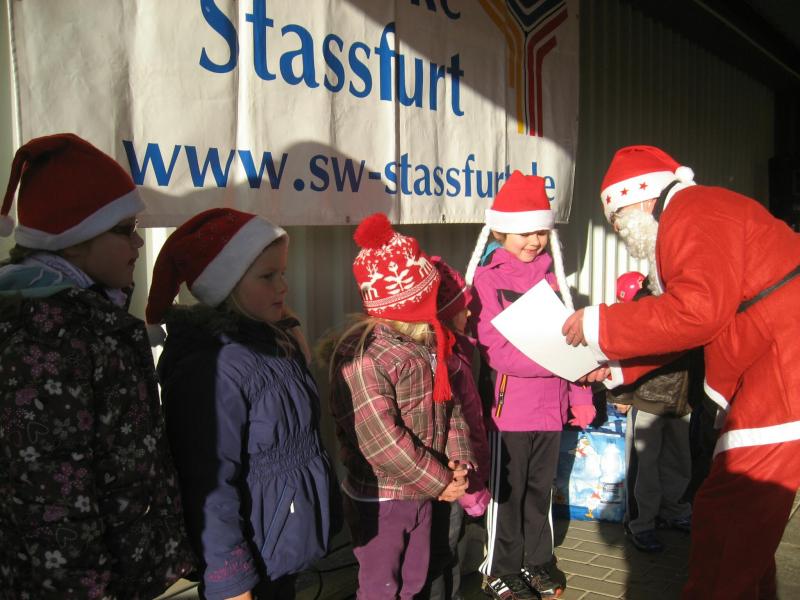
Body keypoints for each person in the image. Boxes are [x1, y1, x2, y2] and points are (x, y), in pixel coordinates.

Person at [562, 145, 800, 598]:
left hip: (782, 376)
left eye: (617, 220)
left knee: (728, 518)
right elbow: (695, 320)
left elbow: (696, 312)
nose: (620, 232)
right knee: (742, 524)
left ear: (639, 199)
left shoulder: (692, 212)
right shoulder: (699, 211)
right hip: (776, 371)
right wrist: (616, 366)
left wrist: (600, 323)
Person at [0, 133, 194, 599]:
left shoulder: (88, 319)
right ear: (72, 241)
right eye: (124, 229)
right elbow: (50, 493)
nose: (139, 242)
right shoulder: (47, 339)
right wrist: (85, 589)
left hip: (118, 568)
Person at [145, 208, 338, 600]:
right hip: (250, 562)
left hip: (280, 547)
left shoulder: (271, 341)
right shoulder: (213, 369)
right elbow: (207, 483)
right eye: (268, 276)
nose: (283, 286)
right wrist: (230, 580)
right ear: (227, 285)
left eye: (282, 272)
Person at [325, 213, 474, 600]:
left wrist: (457, 458)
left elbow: (451, 406)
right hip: (384, 498)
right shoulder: (365, 357)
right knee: (382, 587)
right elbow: (382, 442)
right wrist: (440, 480)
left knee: (413, 581)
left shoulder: (426, 343)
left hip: (421, 488)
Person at [466, 171, 595, 600]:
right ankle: (500, 569)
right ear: (501, 231)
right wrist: (558, 365)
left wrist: (580, 393)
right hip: (510, 413)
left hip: (550, 411)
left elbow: (573, 342)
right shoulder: (488, 280)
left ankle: (537, 560)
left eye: (541, 232)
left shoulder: (554, 281)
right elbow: (496, 351)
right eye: (525, 232)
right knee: (508, 494)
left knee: (541, 492)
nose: (534, 241)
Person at [418, 257, 492, 600]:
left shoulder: (458, 351)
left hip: (454, 475)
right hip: (446, 478)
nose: (471, 313)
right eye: (464, 307)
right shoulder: (446, 362)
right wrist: (472, 486)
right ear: (446, 312)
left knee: (448, 549)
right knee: (441, 551)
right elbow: (460, 424)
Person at [608, 271, 693, 554]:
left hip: (681, 400)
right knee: (644, 467)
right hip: (648, 400)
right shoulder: (646, 309)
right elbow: (626, 353)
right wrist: (622, 396)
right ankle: (640, 524)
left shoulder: (682, 298)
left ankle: (674, 511)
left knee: (676, 461)